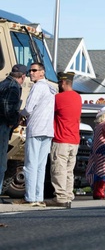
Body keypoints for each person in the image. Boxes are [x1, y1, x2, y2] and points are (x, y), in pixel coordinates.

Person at [20, 63, 56, 206]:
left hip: (35, 128)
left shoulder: (38, 87)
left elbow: (28, 108)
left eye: (34, 70)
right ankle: (38, 196)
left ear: (42, 72)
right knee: (41, 165)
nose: (31, 73)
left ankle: (30, 197)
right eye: (30, 71)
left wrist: (20, 115)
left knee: (30, 164)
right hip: (47, 130)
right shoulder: (51, 88)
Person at [48, 72, 82, 208]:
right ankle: (68, 195)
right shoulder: (78, 97)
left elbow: (49, 112)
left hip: (61, 139)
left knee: (58, 168)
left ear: (62, 82)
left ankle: (60, 197)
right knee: (69, 170)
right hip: (74, 140)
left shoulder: (58, 98)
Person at [0, 64, 28, 200]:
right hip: (3, 126)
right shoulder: (14, 87)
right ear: (22, 76)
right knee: (1, 161)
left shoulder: (3, 83)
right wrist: (13, 121)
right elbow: (7, 107)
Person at [85, 106, 105, 199]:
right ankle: (100, 192)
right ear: (104, 116)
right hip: (103, 148)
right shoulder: (104, 125)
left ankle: (96, 190)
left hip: (96, 150)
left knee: (98, 170)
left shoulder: (97, 126)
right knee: (104, 170)